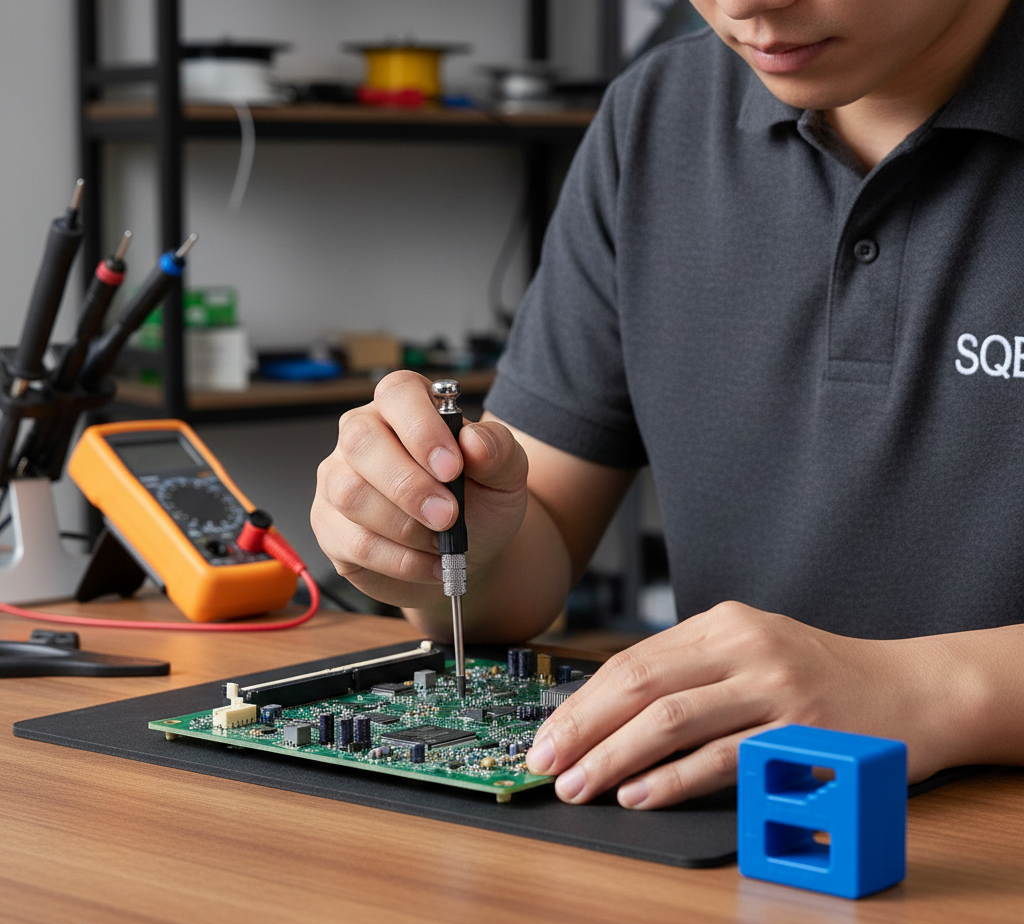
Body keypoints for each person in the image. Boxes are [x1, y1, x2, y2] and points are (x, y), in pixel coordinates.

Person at [311, 0, 1024, 810]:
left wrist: (926, 691)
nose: (746, 4)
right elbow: (523, 557)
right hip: (723, 844)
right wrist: (441, 533)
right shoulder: (657, 119)